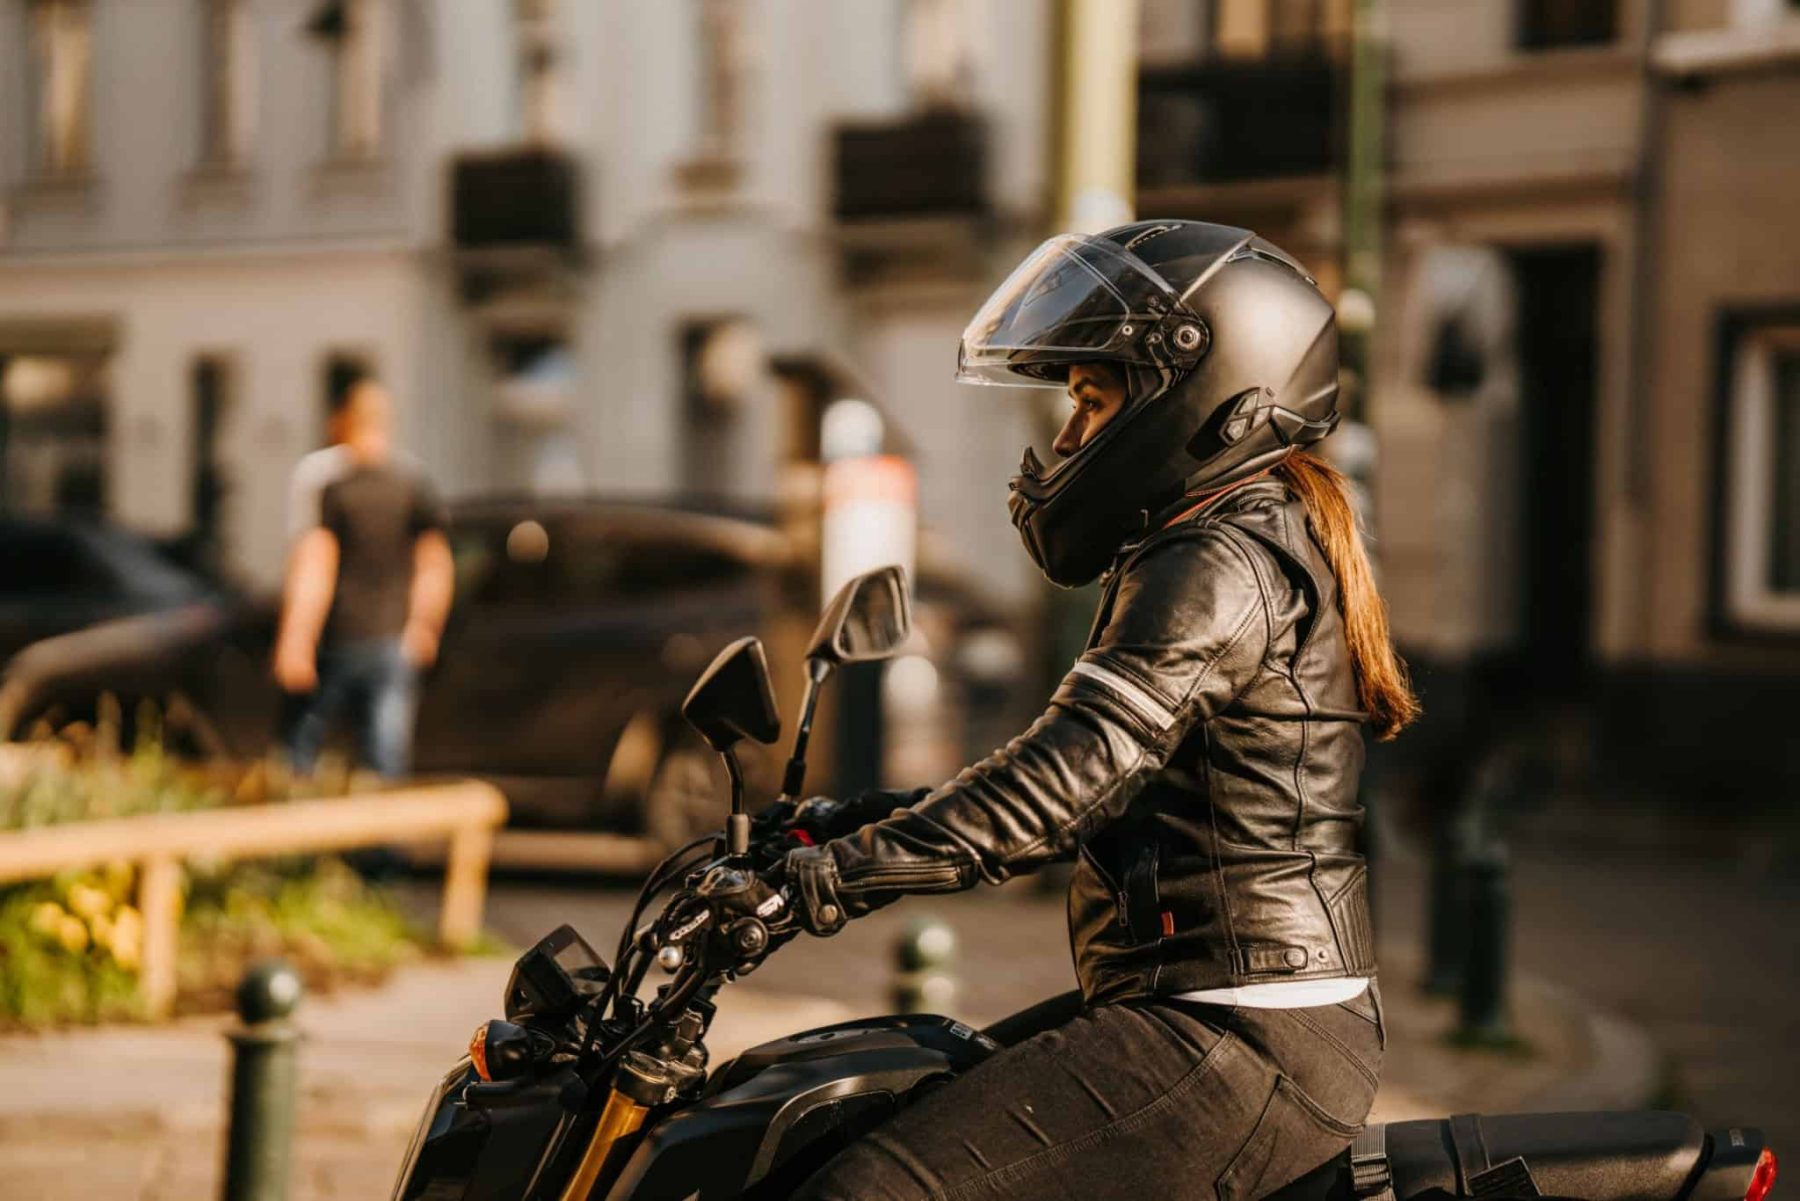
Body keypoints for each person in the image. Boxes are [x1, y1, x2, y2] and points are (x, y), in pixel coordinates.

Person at [745, 221, 1422, 1200]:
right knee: (844, 1115)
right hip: (1225, 1013)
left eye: (1093, 403)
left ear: (1201, 403)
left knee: (861, 1192)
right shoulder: (1234, 536)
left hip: (1240, 1028)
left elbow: (1054, 785)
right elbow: (1088, 783)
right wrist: (839, 826)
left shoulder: (1216, 560)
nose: (1065, 441)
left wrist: (826, 880)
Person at [273, 378, 453, 781]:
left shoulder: (330, 484)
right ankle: (384, 843)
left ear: (341, 421)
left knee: (300, 749)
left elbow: (316, 564)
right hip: (391, 640)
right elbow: (435, 564)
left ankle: (296, 839)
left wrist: (298, 635)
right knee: (385, 755)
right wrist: (424, 626)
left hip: (339, 637)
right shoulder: (413, 483)